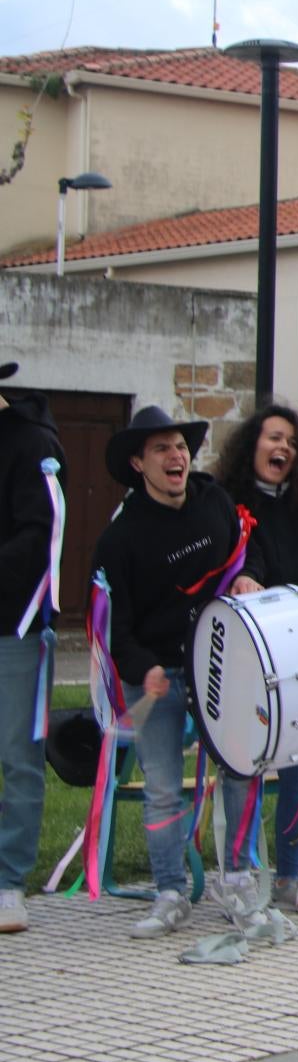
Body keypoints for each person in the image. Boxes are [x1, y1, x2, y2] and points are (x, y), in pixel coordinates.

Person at [89, 405, 249, 937]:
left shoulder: (214, 501)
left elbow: (249, 554)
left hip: (219, 665)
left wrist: (250, 575)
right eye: (161, 448)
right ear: (139, 463)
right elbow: (115, 628)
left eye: (180, 446)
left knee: (240, 770)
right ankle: (169, 891)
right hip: (155, 672)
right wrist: (146, 669)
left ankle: (240, 883)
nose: (176, 456)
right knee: (162, 788)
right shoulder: (120, 538)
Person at [212, 405, 298, 915]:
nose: (284, 449)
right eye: (275, 438)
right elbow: (229, 563)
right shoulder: (224, 503)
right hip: (247, 660)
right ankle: (239, 877)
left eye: (292, 442)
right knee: (243, 769)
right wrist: (241, 578)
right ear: (253, 445)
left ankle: (289, 877)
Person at [0, 361, 64, 933]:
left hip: (12, 626)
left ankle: (7, 882)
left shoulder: (30, 441)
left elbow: (40, 532)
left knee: (19, 758)